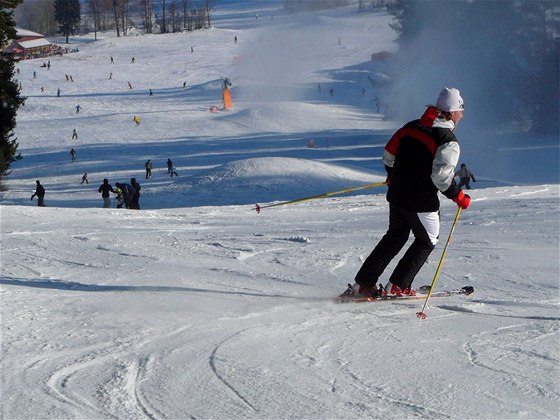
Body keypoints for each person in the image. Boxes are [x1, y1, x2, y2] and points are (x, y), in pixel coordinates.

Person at [342, 87, 471, 299]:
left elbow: (388, 154)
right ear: (452, 112)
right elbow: (441, 178)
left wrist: (392, 175)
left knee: (395, 236)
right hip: (421, 202)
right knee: (427, 240)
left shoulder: (412, 126)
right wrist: (459, 196)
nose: (462, 115)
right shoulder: (447, 140)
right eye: (461, 110)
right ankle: (398, 285)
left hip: (397, 194)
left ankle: (363, 285)